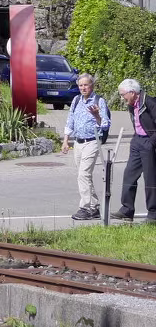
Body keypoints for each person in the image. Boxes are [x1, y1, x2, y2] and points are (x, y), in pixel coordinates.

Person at [60, 73, 109, 220]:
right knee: (84, 176)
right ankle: (94, 208)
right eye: (80, 85)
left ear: (92, 85)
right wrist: (65, 141)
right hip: (78, 142)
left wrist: (96, 115)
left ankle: (85, 208)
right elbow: (70, 120)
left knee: (83, 175)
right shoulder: (76, 100)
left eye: (86, 85)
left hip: (92, 141)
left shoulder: (99, 101)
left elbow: (105, 124)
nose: (83, 88)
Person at [116, 78, 156, 223]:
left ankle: (153, 214)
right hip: (137, 141)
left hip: (149, 142)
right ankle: (127, 210)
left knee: (150, 179)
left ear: (132, 92)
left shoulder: (150, 103)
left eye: (123, 95)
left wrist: (151, 142)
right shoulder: (131, 104)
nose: (122, 98)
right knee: (129, 174)